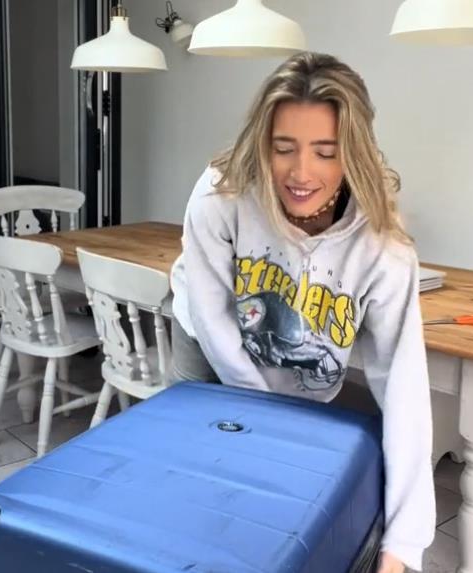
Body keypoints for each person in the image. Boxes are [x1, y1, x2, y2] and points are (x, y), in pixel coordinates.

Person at [170, 51, 435, 573]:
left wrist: (403, 546)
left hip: (300, 365)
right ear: (262, 142)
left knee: (283, 502)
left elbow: (403, 386)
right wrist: (266, 428)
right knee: (201, 479)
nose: (301, 172)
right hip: (209, 347)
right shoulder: (221, 193)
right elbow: (214, 317)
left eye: (325, 152)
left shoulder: (383, 247)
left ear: (353, 152)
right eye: (283, 148)